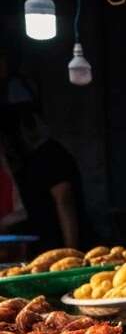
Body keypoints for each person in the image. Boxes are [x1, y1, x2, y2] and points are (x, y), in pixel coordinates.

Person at [0, 106, 83, 251]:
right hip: (41, 245)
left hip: (59, 245)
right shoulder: (29, 161)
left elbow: (64, 200)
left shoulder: (50, 155)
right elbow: (30, 206)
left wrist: (71, 250)